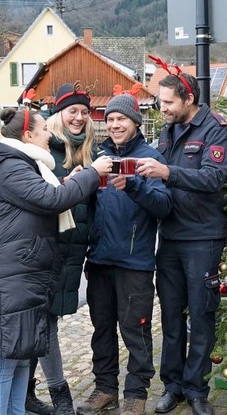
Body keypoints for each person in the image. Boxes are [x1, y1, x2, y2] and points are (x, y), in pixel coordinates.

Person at [0, 108, 111, 415]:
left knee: (21, 359)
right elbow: (52, 200)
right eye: (45, 128)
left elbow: (46, 195)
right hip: (8, 279)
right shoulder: (11, 166)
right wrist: (91, 172)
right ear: (28, 134)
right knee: (5, 361)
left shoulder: (28, 166)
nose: (50, 134)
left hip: (24, 277)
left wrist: (67, 182)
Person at [136, 73, 227, 415]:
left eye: (168, 102)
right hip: (171, 236)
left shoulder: (216, 129)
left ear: (188, 99)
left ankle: (197, 390)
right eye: (161, 102)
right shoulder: (168, 128)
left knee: (202, 316)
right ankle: (172, 386)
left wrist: (167, 173)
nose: (162, 108)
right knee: (172, 316)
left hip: (203, 238)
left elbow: (213, 177)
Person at [76, 92, 172, 415]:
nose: (115, 124)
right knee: (101, 329)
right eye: (111, 120)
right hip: (100, 260)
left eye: (122, 119)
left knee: (136, 330)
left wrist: (133, 185)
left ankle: (136, 393)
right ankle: (105, 389)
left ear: (135, 122)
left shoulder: (150, 158)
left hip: (135, 263)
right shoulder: (99, 157)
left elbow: (163, 206)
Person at [25, 83, 99, 415]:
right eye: (73, 111)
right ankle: (61, 398)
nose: (80, 117)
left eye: (85, 112)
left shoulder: (88, 153)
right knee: (44, 324)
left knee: (42, 322)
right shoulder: (45, 153)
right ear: (59, 114)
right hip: (46, 252)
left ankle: (26, 394)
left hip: (72, 252)